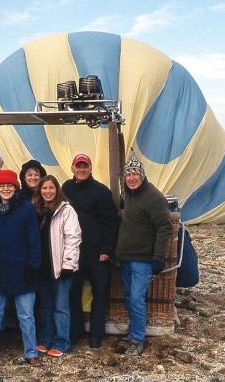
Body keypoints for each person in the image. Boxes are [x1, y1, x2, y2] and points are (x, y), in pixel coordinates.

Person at [114, 150, 172, 356]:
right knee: (130, 298)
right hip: (126, 258)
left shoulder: (154, 198)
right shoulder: (128, 195)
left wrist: (158, 258)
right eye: (128, 174)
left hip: (143, 260)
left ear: (142, 175)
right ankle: (133, 333)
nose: (131, 178)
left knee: (137, 299)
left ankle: (138, 339)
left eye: (135, 174)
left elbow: (165, 228)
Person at [0, 170, 42, 368]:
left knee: (26, 315)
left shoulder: (26, 209)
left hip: (22, 270)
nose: (6, 189)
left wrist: (33, 266)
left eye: (9, 186)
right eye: (2, 186)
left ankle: (31, 352)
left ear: (15, 188)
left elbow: (34, 240)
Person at [62, 153, 119, 348]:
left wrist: (106, 249)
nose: (82, 169)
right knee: (73, 294)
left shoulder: (101, 191)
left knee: (100, 293)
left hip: (97, 254)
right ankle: (76, 331)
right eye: (78, 166)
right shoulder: (66, 188)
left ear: (90, 168)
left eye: (85, 166)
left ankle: (96, 334)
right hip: (74, 253)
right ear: (72, 168)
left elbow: (111, 222)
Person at [31, 175, 81, 357]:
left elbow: (73, 238)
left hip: (60, 267)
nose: (48, 191)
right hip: (42, 267)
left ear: (57, 190)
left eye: (51, 188)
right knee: (45, 306)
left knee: (61, 306)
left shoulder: (66, 210)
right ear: (40, 190)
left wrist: (69, 264)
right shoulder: (36, 210)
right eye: (44, 188)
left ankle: (62, 342)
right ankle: (45, 339)